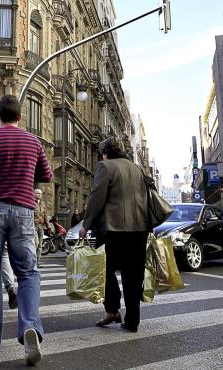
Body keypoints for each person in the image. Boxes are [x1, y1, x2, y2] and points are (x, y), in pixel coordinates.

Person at [0, 94, 52, 366]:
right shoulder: (33, 141)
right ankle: (30, 326)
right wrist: (25, 176)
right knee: (28, 272)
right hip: (24, 211)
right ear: (20, 117)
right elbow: (47, 175)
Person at [79, 137, 149, 333]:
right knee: (133, 276)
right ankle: (132, 320)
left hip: (113, 229)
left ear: (105, 152)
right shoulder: (137, 169)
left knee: (104, 270)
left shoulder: (105, 166)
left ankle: (112, 308)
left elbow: (96, 198)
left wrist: (86, 224)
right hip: (139, 229)